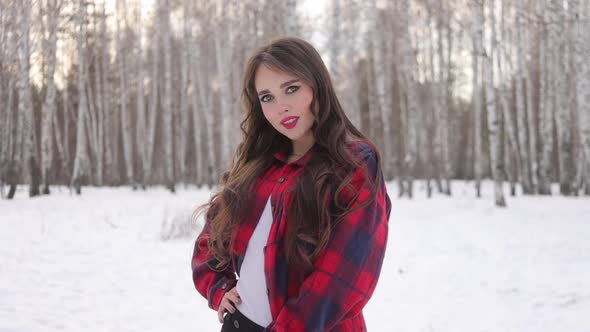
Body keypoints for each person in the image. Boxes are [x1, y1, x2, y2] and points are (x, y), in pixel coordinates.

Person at [191, 36, 392, 332]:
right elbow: (210, 242)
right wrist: (219, 289)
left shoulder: (354, 164)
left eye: (292, 89)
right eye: (267, 97)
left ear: (316, 87)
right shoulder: (258, 167)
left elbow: (344, 279)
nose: (281, 107)